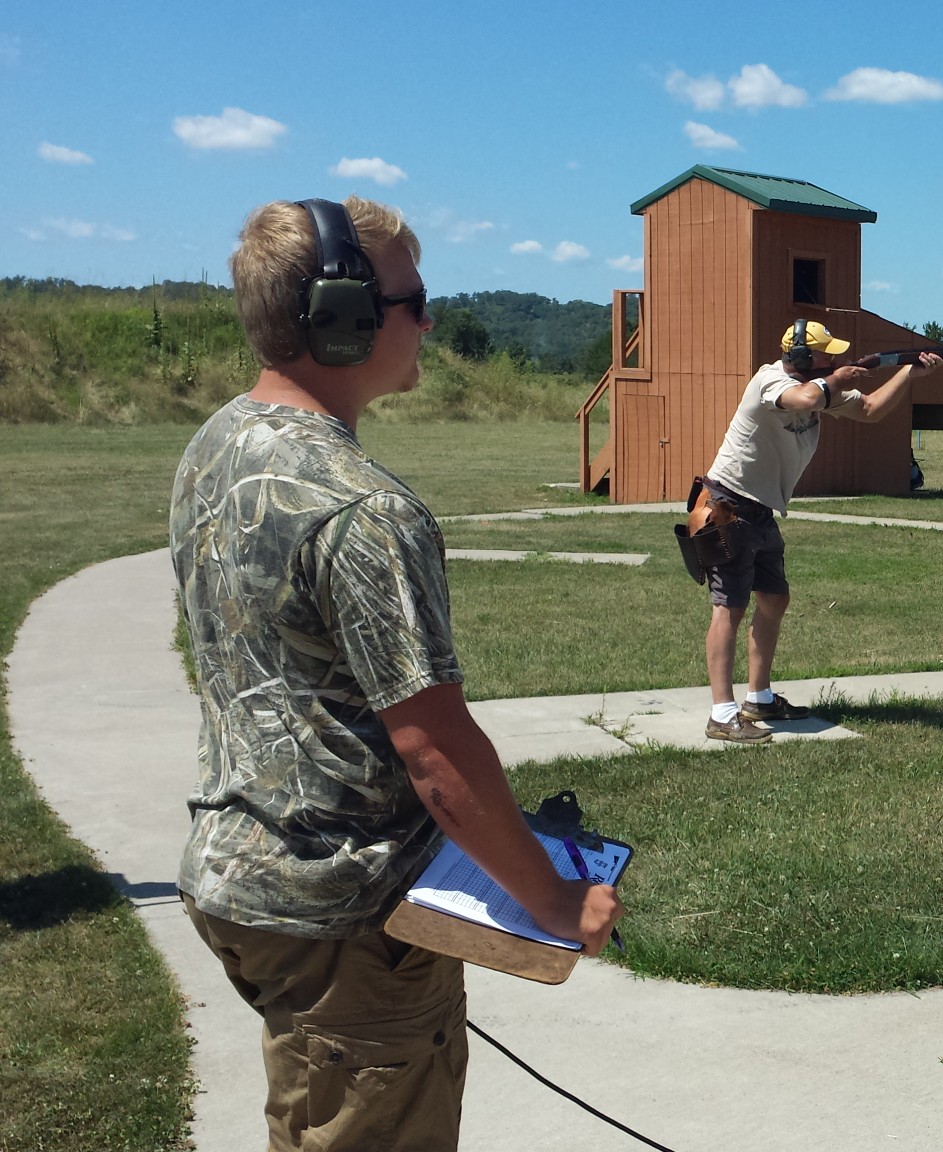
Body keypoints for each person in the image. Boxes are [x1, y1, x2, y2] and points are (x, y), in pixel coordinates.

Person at [170, 195, 624, 1151]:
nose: (427, 319)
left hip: (242, 883)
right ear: (342, 317)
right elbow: (436, 753)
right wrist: (552, 899)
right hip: (348, 919)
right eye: (414, 300)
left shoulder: (219, 441)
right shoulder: (367, 511)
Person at [697, 321, 940, 743]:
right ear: (804, 358)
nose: (835, 358)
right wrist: (833, 380)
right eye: (826, 354)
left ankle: (760, 697)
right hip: (727, 506)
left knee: (774, 599)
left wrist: (907, 373)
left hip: (761, 509)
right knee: (729, 608)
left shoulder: (823, 386)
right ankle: (722, 713)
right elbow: (806, 397)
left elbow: (870, 410)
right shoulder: (770, 380)